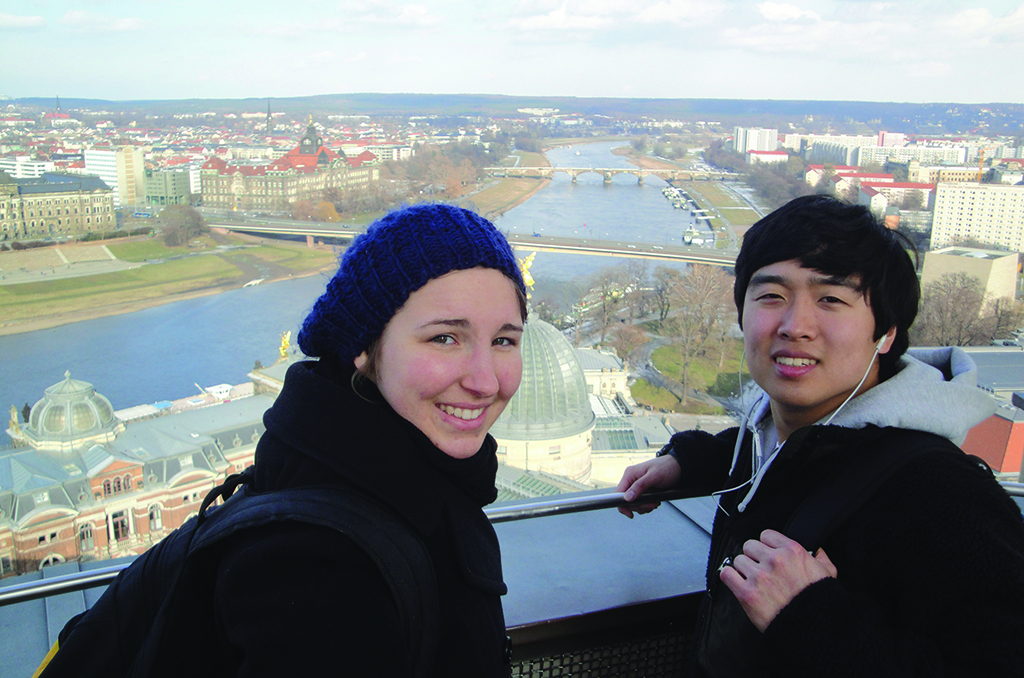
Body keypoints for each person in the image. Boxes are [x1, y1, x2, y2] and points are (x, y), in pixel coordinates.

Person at [42, 204, 527, 678]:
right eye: (445, 338)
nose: (485, 381)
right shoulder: (317, 569)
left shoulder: (375, 481)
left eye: (504, 340)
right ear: (364, 347)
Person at [617, 195, 1024, 676]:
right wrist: (691, 461)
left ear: (886, 332)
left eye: (831, 299)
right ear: (742, 314)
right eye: (771, 296)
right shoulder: (790, 428)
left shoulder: (945, 498)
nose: (795, 326)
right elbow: (796, 462)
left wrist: (811, 617)